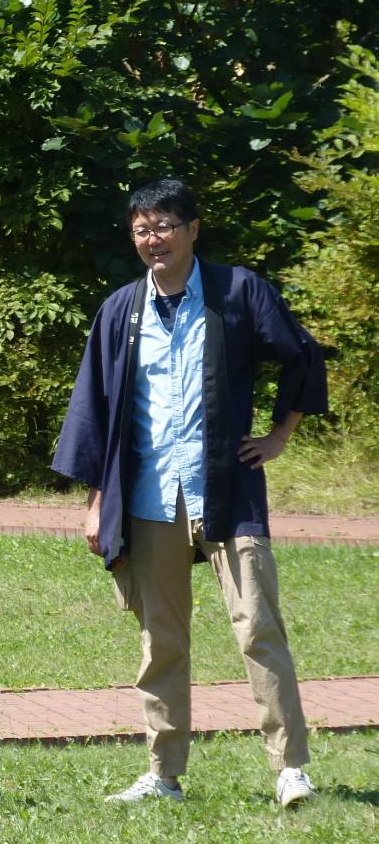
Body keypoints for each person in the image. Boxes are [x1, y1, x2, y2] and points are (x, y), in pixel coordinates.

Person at [52, 178, 328, 808]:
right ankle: (163, 774)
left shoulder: (238, 291)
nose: (155, 239)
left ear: (193, 229)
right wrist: (97, 502)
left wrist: (280, 435)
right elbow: (96, 410)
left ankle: (290, 769)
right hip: (149, 498)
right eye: (143, 229)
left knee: (259, 626)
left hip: (226, 489)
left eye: (166, 226)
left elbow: (301, 356)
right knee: (162, 640)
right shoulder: (122, 311)